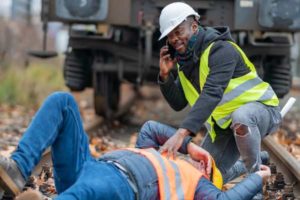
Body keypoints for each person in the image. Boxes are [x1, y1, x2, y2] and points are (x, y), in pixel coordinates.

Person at [0, 92, 270, 200]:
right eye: (204, 159)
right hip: (90, 167)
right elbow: (150, 128)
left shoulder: (196, 187)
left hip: (121, 187)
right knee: (63, 102)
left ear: (208, 179)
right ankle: (18, 168)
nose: (204, 161)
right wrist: (189, 147)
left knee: (92, 188)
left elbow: (227, 198)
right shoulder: (160, 153)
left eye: (207, 166)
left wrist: (259, 176)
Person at [157, 1, 282, 190]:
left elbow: (212, 93)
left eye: (178, 31)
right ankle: (253, 163)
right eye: (170, 35)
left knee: (242, 116)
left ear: (194, 26)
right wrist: (165, 76)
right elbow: (178, 103)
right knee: (201, 178)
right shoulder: (185, 63)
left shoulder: (221, 50)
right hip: (225, 127)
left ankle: (256, 180)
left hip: (262, 111)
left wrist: (182, 133)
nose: (174, 39)